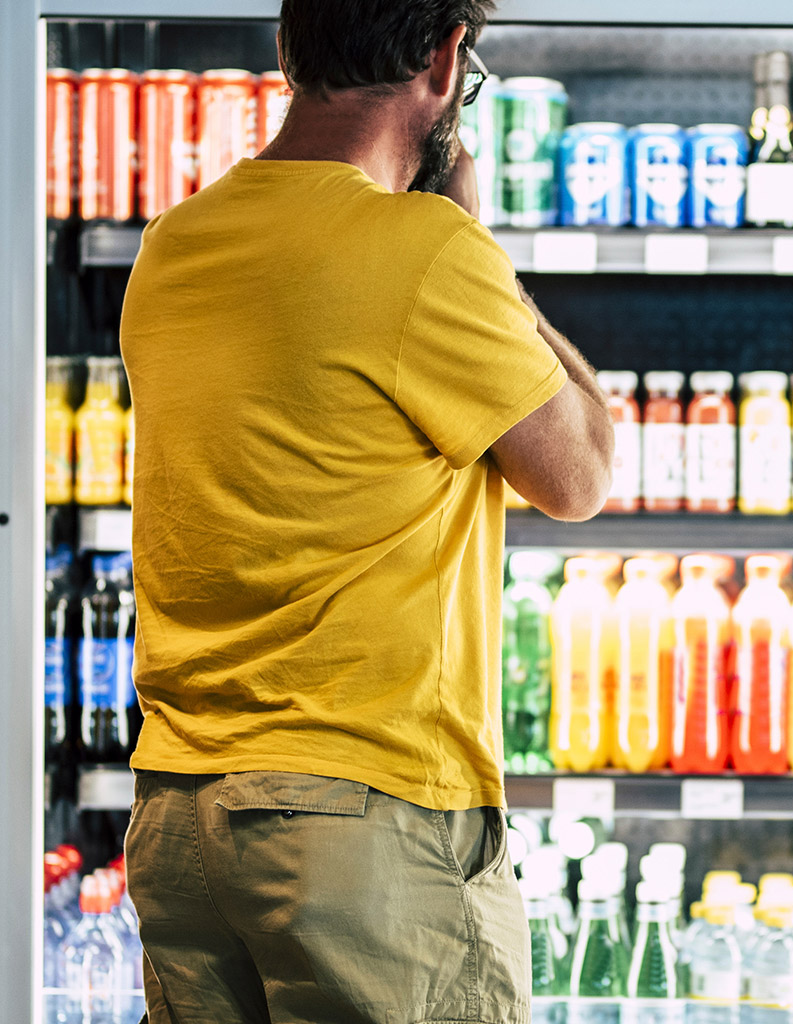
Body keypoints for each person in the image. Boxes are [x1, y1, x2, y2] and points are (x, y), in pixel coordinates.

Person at [118, 0, 614, 1020]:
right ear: (444, 58)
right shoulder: (427, 249)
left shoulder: (172, 244)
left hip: (180, 818)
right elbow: (581, 475)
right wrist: (476, 246)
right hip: (362, 823)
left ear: (286, 51)